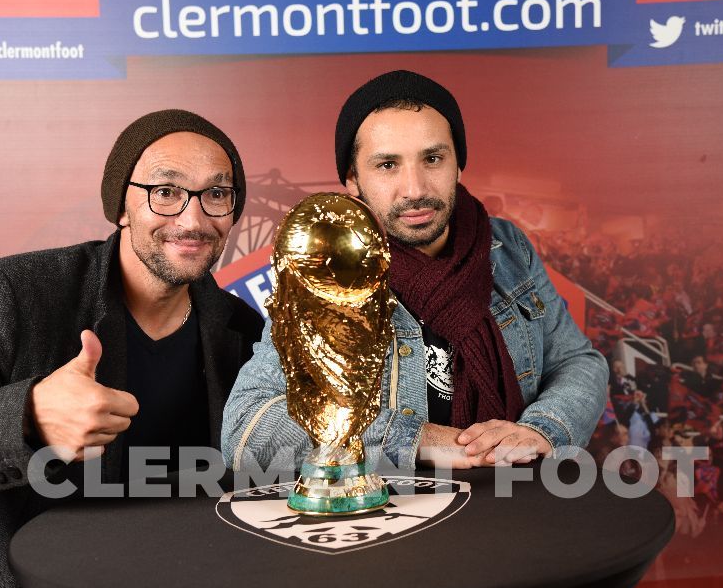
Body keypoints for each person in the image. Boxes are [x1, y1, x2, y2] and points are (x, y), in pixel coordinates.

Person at [0, 109, 264, 588]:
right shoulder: (13, 294)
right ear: (122, 207)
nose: (193, 219)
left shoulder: (246, 330)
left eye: (217, 194)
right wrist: (27, 417)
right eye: (166, 192)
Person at [222, 70, 607, 472]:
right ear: (353, 178)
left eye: (433, 158)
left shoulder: (508, 247)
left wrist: (543, 430)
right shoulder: (327, 267)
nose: (414, 189)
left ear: (459, 163)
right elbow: (247, 428)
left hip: (511, 502)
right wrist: (415, 439)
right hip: (394, 518)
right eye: (387, 164)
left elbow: (577, 361)